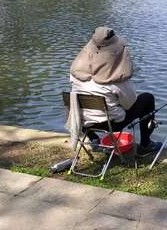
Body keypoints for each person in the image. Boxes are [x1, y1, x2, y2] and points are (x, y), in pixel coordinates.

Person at [69, 26, 162, 157]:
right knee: (147, 99)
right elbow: (130, 103)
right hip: (111, 124)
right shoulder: (116, 80)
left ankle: (93, 138)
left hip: (83, 121)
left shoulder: (75, 75)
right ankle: (145, 145)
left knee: (87, 104)